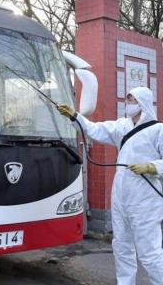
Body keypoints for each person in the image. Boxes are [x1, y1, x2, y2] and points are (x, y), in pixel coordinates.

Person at [57, 86, 163, 285]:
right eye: (128, 99)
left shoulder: (158, 130)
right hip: (121, 196)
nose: (128, 104)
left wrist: (151, 166)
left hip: (145, 200)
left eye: (131, 100)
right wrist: (74, 116)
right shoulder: (122, 126)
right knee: (122, 246)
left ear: (142, 103)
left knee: (149, 252)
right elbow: (95, 129)